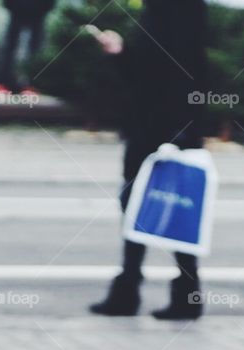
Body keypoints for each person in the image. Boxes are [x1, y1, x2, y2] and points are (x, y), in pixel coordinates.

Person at [89, 0, 207, 321]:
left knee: (172, 209)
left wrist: (180, 132)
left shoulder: (181, 9)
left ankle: (174, 294)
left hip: (166, 131)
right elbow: (148, 72)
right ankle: (137, 290)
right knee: (142, 206)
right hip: (152, 127)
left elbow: (188, 70)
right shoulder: (158, 9)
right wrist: (120, 54)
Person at [0, 0, 55, 95]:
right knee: (14, 46)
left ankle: (32, 85)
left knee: (33, 47)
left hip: (34, 8)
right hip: (22, 8)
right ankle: (6, 84)